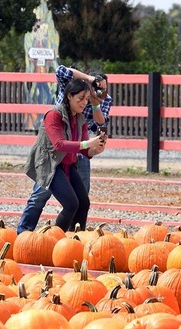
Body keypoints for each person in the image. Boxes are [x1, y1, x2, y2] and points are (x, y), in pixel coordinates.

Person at [17, 65, 112, 233]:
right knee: (47, 197)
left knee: (82, 202)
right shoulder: (55, 114)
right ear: (70, 96)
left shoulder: (82, 115)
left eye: (87, 99)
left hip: (70, 160)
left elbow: (91, 139)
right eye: (81, 98)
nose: (85, 102)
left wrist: (96, 149)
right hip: (50, 162)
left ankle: (75, 237)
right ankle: (28, 234)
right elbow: (59, 144)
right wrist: (88, 144)